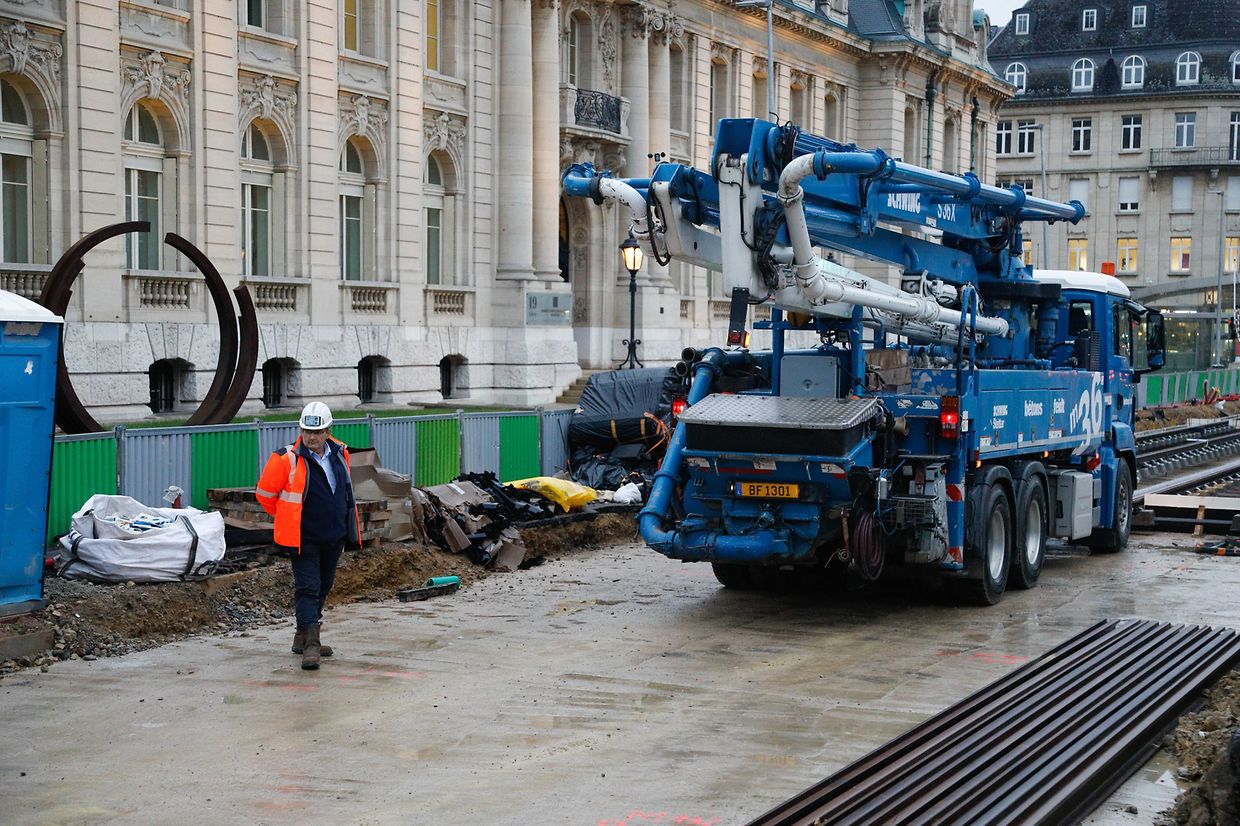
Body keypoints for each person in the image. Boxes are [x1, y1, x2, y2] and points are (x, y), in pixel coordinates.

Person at [256, 402, 361, 670]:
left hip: (333, 535)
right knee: (308, 588)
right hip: (303, 539)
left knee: (324, 586)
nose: (311, 437)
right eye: (306, 431)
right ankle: (311, 645)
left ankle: (302, 636)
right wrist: (287, 517)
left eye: (317, 432)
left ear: (328, 431)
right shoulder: (286, 459)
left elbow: (344, 491)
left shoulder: (340, 453)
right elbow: (265, 495)